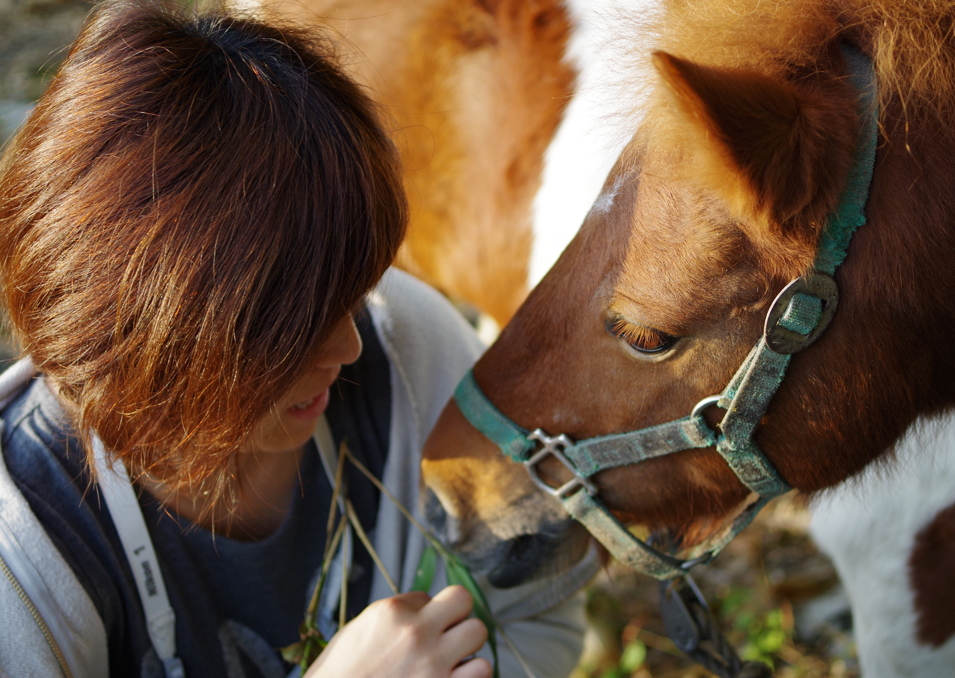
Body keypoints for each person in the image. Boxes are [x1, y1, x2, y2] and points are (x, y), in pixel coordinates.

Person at [0, 2, 593, 677]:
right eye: (294, 330)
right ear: (145, 335)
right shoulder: (24, 565)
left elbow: (537, 613)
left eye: (351, 296)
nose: (348, 350)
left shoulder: (408, 347)